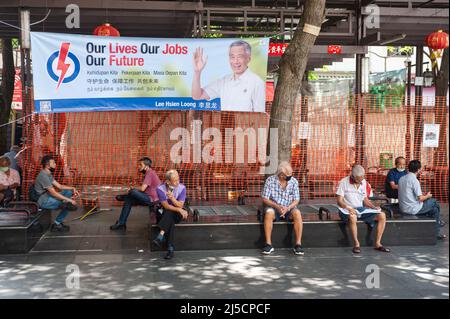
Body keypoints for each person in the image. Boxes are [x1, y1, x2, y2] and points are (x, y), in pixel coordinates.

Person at [192, 40, 265, 112]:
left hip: (245, 124)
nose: (236, 61)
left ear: (248, 58)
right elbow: (197, 96)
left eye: (240, 56)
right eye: (232, 57)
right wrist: (197, 72)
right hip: (225, 124)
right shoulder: (224, 81)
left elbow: (260, 116)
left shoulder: (257, 82)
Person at [336, 165, 390, 254]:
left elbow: (365, 199)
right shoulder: (344, 182)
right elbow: (339, 201)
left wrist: (373, 207)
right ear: (352, 176)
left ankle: (378, 243)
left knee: (382, 215)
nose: (360, 181)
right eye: (358, 180)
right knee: (353, 217)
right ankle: (356, 244)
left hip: (360, 209)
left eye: (362, 179)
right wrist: (348, 208)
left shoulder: (364, 182)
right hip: (345, 209)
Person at [261, 162, 304, 256]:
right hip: (274, 207)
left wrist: (288, 208)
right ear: (280, 175)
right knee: (268, 213)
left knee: (297, 213)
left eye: (290, 175)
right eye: (287, 175)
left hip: (289, 208)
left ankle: (298, 245)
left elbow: (297, 199)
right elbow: (265, 198)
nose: (290, 177)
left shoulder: (294, 181)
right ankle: (268, 244)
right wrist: (277, 206)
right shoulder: (270, 180)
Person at [398, 160, 447, 240]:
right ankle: (437, 225)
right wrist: (427, 196)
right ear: (418, 170)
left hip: (403, 207)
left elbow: (409, 194)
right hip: (413, 209)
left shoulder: (401, 178)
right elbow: (420, 198)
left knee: (434, 210)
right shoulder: (414, 180)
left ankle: (436, 226)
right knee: (435, 201)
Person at [110, 157, 161, 230]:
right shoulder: (149, 173)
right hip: (148, 197)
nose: (138, 167)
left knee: (133, 191)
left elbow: (143, 189)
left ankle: (125, 196)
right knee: (128, 200)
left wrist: (132, 188)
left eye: (140, 165)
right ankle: (121, 223)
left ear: (146, 166)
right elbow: (144, 189)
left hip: (152, 200)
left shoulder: (150, 173)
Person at [34, 155, 80, 232]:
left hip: (48, 196)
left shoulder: (48, 174)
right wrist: (69, 200)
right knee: (69, 205)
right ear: (47, 165)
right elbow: (54, 193)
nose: (55, 164)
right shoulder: (43, 176)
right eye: (53, 162)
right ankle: (57, 224)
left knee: (68, 192)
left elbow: (60, 186)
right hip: (43, 200)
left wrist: (73, 188)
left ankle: (57, 221)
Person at [152, 169, 188, 260]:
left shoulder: (182, 188)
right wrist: (180, 210)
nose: (177, 182)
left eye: (178, 179)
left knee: (170, 214)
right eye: (175, 180)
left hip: (176, 214)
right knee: (169, 215)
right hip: (164, 213)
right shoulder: (160, 189)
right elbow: (166, 206)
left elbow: (180, 204)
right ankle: (170, 248)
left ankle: (161, 235)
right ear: (168, 182)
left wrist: (172, 199)